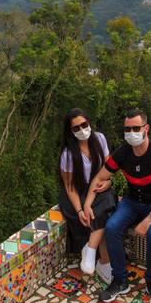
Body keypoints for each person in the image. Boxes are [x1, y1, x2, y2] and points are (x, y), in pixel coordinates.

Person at [82, 109, 151, 303]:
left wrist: (148, 221)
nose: (131, 132)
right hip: (132, 201)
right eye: (127, 129)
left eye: (135, 128)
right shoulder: (123, 153)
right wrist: (88, 204)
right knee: (112, 227)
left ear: (146, 128)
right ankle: (120, 280)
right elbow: (100, 177)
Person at [58, 108, 117, 283]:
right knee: (99, 213)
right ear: (70, 131)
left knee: (105, 202)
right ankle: (103, 262)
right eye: (76, 128)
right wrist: (79, 210)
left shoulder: (99, 139)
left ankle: (90, 249)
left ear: (89, 122)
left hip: (98, 188)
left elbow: (109, 168)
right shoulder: (68, 154)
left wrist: (109, 181)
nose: (82, 130)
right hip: (77, 193)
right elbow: (69, 187)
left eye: (84, 125)